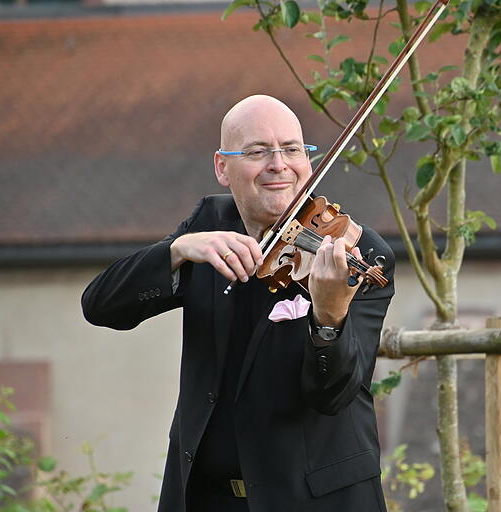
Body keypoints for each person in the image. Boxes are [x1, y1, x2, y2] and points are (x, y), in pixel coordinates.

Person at [81, 95, 394, 511]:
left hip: (311, 500)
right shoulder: (210, 224)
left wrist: (328, 317)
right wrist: (178, 249)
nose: (278, 165)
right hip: (204, 498)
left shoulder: (359, 253)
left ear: (309, 161)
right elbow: (100, 306)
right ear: (222, 167)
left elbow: (332, 395)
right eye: (257, 152)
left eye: (291, 149)